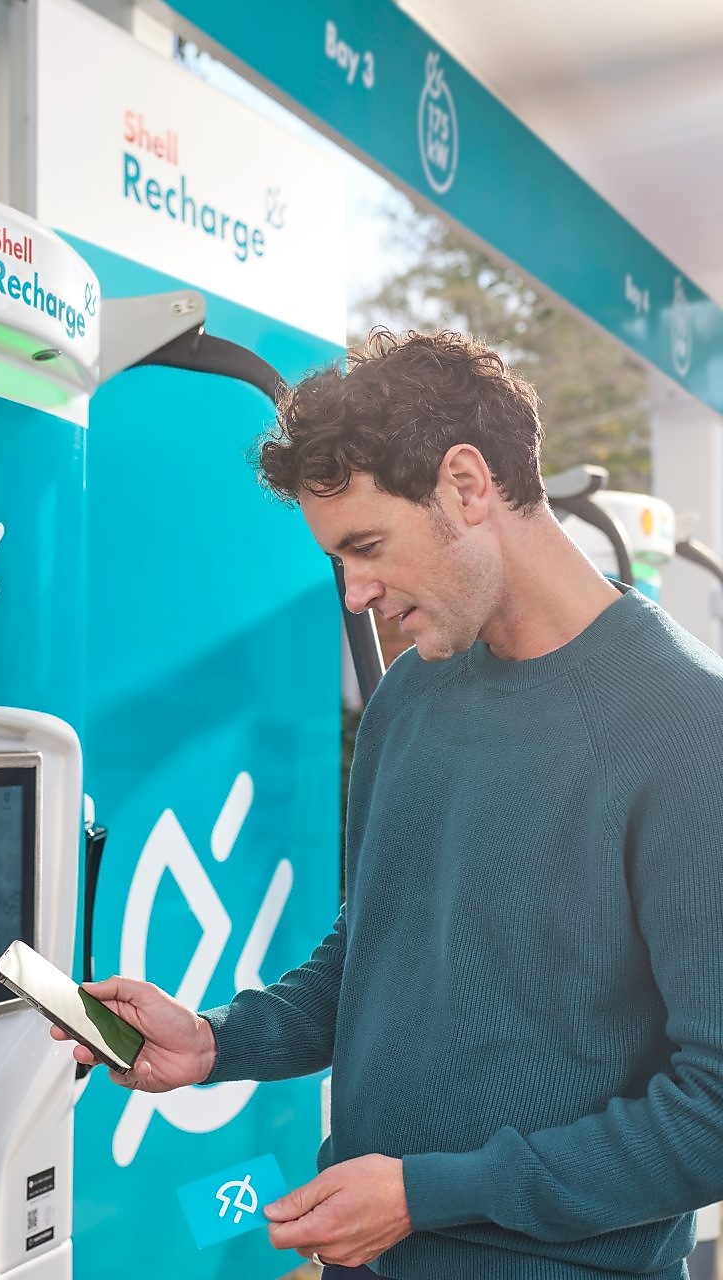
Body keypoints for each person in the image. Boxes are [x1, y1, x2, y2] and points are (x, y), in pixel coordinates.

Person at [55, 329, 723, 1280]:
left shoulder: (689, 727)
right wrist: (216, 1039)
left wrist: (426, 1196)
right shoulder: (411, 696)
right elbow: (375, 951)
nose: (358, 592)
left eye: (367, 546)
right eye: (339, 561)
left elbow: (713, 1116)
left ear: (465, 484)